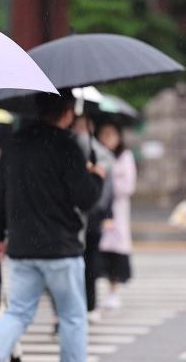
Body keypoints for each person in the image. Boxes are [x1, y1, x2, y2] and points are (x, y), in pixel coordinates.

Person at [0, 91, 105, 362]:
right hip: (62, 248)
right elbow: (86, 198)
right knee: (71, 316)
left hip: (22, 247)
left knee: (18, 311)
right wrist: (97, 177)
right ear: (67, 112)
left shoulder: (14, 145)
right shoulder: (68, 145)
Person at [71, 115, 115, 322]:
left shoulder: (100, 154)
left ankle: (90, 304)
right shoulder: (67, 148)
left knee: (90, 263)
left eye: (83, 126)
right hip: (71, 217)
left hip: (92, 216)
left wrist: (93, 176)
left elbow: (106, 189)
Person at [97, 122, 136, 310]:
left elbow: (128, 186)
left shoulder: (125, 157)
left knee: (115, 254)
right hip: (98, 210)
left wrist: (107, 182)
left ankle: (113, 291)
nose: (107, 138)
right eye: (104, 134)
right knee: (98, 253)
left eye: (111, 134)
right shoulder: (95, 154)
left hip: (117, 211)